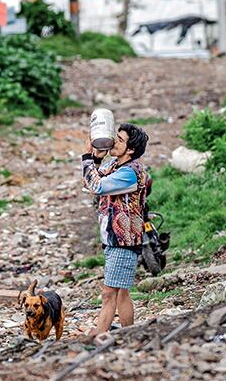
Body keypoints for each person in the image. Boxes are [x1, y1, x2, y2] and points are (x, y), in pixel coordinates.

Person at [81, 122, 150, 340]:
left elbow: (97, 186)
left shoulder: (130, 172)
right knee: (121, 292)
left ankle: (99, 335)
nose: (114, 142)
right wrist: (97, 157)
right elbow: (90, 182)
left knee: (108, 293)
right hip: (114, 238)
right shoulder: (116, 165)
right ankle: (129, 333)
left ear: (130, 149)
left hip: (124, 240)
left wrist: (85, 157)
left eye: (119, 140)